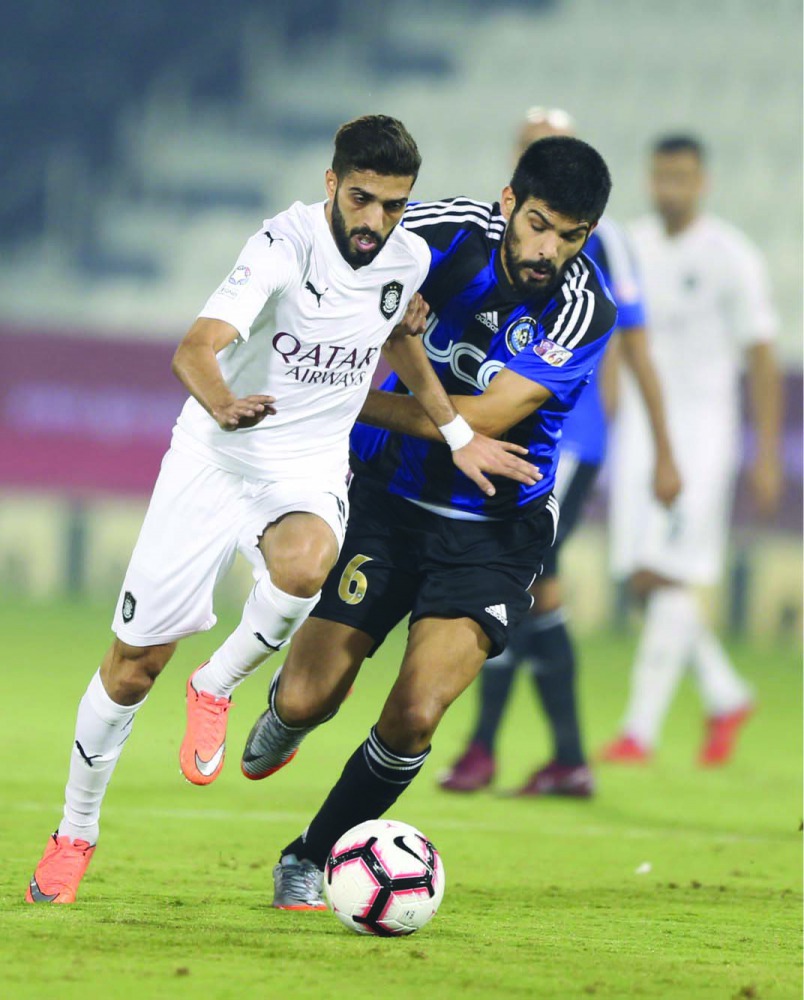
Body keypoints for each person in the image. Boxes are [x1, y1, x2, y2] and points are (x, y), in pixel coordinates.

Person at [25, 115, 538, 905]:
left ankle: (217, 685)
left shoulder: (407, 257)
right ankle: (75, 831)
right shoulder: (282, 245)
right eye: (361, 199)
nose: (375, 221)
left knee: (306, 566)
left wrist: (457, 430)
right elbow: (195, 347)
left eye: (394, 205)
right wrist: (223, 403)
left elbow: (396, 337)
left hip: (305, 464)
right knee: (132, 668)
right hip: (216, 454)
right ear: (332, 184)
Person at [236, 135, 618, 910]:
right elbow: (328, 294)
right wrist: (373, 321)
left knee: (414, 713)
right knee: (307, 699)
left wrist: (343, 397)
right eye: (537, 225)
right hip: (385, 502)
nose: (548, 250)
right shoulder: (438, 235)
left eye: (570, 236)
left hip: (493, 531)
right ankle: (290, 707)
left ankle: (309, 855)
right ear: (509, 203)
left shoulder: (584, 309)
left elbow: (486, 420)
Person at [439, 107, 680, 797]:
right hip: (498, 432)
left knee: (517, 577)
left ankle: (487, 749)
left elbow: (636, 344)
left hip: (568, 441)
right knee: (535, 589)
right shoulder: (492, 237)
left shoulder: (604, 244)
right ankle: (563, 758)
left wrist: (663, 449)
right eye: (529, 148)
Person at [600, 134, 782, 765]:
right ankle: (726, 694)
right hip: (638, 433)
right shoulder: (631, 246)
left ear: (702, 182)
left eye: (680, 176)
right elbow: (612, 335)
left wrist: (764, 452)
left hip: (702, 436)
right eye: (660, 175)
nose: (669, 187)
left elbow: (762, 355)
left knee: (666, 572)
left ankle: (638, 730)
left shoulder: (732, 256)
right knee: (642, 578)